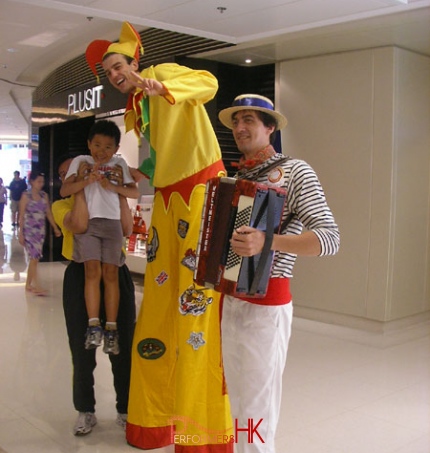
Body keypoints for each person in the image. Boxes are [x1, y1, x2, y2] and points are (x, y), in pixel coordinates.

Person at [86, 22, 232, 451]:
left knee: (196, 311)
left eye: (118, 66)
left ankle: (199, 432)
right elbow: (164, 152)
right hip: (168, 200)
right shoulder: (135, 107)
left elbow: (208, 82)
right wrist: (139, 174)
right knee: (160, 307)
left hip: (200, 191)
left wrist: (159, 86)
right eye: (109, 72)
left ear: (134, 61)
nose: (115, 75)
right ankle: (154, 420)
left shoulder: (163, 72)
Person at [218, 94, 340, 453]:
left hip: (266, 305)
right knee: (238, 402)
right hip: (230, 301)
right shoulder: (235, 175)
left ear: (270, 127)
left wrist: (267, 241)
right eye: (236, 121)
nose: (240, 128)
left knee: (258, 407)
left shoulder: (295, 170)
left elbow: (329, 239)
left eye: (250, 121)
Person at [52, 152, 136, 436]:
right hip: (80, 277)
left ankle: (126, 410)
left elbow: (126, 228)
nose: (74, 176)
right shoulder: (60, 204)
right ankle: (85, 411)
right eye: (68, 175)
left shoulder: (111, 198)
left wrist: (120, 192)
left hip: (116, 273)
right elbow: (79, 226)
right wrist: (81, 190)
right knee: (82, 348)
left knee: (122, 346)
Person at [60, 120, 138, 355]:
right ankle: (94, 325)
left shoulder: (120, 164)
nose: (101, 151)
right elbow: (64, 191)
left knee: (111, 274)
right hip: (89, 224)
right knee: (91, 271)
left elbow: (134, 191)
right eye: (97, 145)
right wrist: (87, 180)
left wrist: (112, 186)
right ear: (88, 144)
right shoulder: (80, 162)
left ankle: (111, 329)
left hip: (113, 224)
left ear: (115, 149)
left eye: (107, 147)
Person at [18, 171, 62, 294]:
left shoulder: (44, 196)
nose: (41, 184)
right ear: (32, 182)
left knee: (35, 258)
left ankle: (29, 284)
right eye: (38, 181)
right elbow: (21, 216)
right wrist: (20, 233)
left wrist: (55, 227)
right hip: (29, 231)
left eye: (42, 181)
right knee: (34, 258)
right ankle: (36, 285)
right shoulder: (26, 196)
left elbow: (48, 212)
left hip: (40, 231)